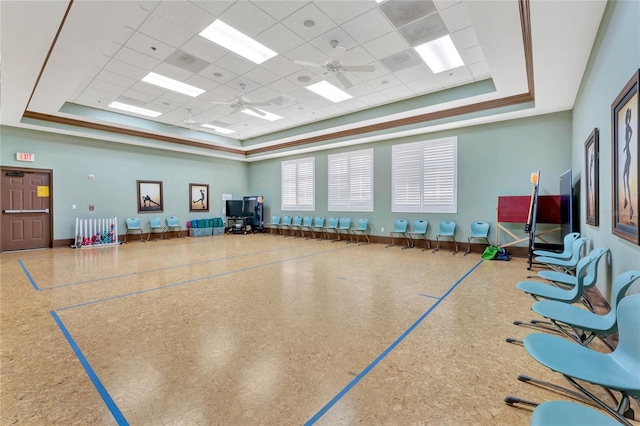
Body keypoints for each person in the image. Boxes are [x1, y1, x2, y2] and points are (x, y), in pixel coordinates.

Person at [622, 107, 633, 220]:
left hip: (628, 156)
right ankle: (626, 200)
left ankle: (630, 207)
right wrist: (626, 145)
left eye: (628, 116)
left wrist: (627, 145)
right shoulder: (626, 127)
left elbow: (632, 134)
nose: (627, 118)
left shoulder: (628, 127)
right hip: (627, 155)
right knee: (624, 178)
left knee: (627, 180)